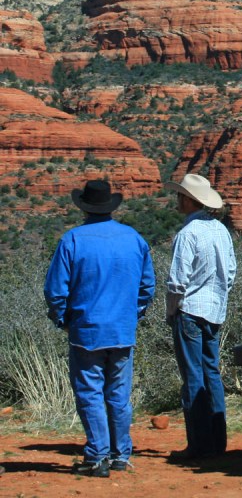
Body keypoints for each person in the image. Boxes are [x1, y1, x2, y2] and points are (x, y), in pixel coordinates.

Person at [44, 179, 155, 478]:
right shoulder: (134, 239)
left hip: (86, 330)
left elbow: (56, 291)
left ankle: (96, 457)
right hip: (122, 331)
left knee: (90, 393)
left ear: (84, 207)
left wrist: (63, 320)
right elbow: (147, 287)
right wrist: (133, 315)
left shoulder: (73, 240)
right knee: (119, 394)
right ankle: (121, 455)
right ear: (110, 206)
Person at [165, 173, 237, 461]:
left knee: (193, 377)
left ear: (188, 199)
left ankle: (198, 445)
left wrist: (172, 310)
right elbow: (230, 273)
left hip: (190, 311)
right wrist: (219, 296)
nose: (176, 200)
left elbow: (177, 281)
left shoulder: (187, 234)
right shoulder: (221, 231)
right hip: (215, 311)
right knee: (212, 373)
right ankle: (218, 443)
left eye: (180, 195)